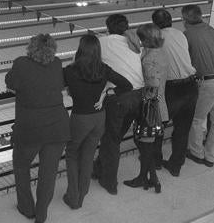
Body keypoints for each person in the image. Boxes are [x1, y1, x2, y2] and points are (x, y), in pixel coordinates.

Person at [62, 34, 132, 210]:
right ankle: (82, 194)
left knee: (71, 154)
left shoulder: (70, 71)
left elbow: (54, 87)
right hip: (99, 118)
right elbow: (127, 85)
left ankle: (73, 197)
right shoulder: (103, 69)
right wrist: (106, 93)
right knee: (87, 156)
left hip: (80, 119)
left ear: (80, 50)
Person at [5, 34, 69, 223]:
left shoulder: (21, 63)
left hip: (30, 129)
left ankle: (26, 208)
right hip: (57, 127)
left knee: (21, 166)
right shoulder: (57, 63)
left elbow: (10, 82)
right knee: (48, 173)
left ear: (31, 48)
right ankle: (41, 214)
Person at [92, 14, 144, 195]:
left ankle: (109, 183)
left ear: (108, 27)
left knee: (110, 140)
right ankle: (97, 168)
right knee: (115, 137)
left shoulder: (102, 42)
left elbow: (88, 64)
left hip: (120, 98)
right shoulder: (134, 43)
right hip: (139, 96)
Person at [183, 4, 214, 167]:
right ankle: (211, 157)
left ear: (184, 20)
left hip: (211, 83)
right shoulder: (210, 29)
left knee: (196, 118)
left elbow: (187, 62)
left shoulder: (188, 34)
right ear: (201, 16)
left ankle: (196, 152)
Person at [152, 9, 198, 177]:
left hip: (172, 89)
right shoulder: (180, 34)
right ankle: (176, 165)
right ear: (171, 21)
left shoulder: (157, 38)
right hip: (191, 86)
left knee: (157, 125)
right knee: (182, 129)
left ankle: (155, 161)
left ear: (155, 25)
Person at [124, 24, 169, 194]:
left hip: (151, 106)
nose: (140, 42)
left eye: (141, 39)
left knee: (144, 144)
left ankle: (145, 178)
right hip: (160, 103)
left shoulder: (150, 58)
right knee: (143, 142)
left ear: (146, 40)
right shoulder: (160, 52)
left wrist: (143, 83)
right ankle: (153, 178)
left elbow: (154, 82)